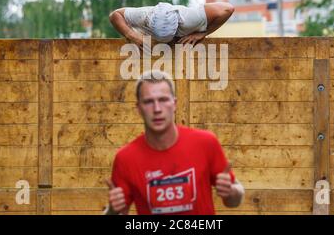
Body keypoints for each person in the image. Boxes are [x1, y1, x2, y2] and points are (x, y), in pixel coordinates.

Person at [104, 70, 244, 215]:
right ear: (138, 108)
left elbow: (234, 201)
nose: (157, 109)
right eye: (148, 102)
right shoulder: (126, 158)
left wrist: (231, 192)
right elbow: (118, 212)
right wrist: (112, 211)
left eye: (163, 100)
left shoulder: (206, 143)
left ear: (174, 104)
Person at [108, 2, 235, 49]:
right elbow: (115, 15)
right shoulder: (145, 16)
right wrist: (132, 36)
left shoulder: (191, 17)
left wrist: (202, 33)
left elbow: (228, 9)